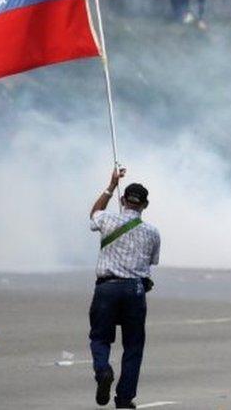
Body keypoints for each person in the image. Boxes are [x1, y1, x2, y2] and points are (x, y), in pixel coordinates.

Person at [88, 167, 161, 409]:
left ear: (122, 200)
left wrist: (110, 185)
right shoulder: (152, 232)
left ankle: (103, 371)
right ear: (145, 205)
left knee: (100, 337)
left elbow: (94, 213)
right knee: (133, 345)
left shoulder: (108, 219)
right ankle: (125, 398)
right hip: (135, 290)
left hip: (106, 288)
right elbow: (151, 263)